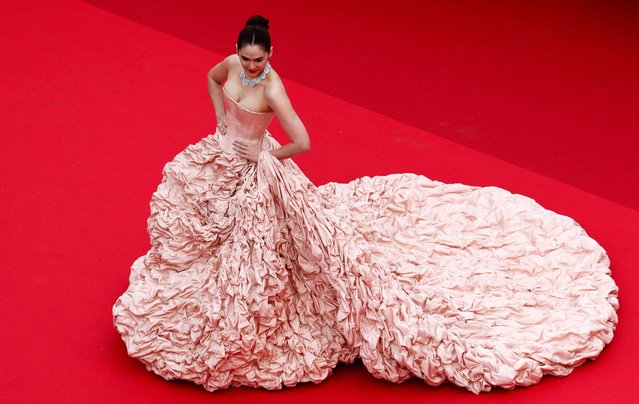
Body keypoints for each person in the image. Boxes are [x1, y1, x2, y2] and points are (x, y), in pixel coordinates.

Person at [112, 15, 619, 394]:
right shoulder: (227, 66)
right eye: (244, 58)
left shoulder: (272, 88)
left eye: (257, 59)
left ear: (270, 56)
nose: (249, 66)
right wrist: (221, 123)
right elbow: (210, 79)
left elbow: (304, 142)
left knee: (270, 256)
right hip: (219, 156)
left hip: (255, 167)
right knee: (200, 225)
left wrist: (265, 157)